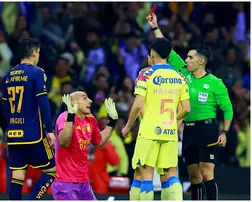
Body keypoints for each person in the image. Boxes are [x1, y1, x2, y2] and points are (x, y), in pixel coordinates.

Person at [148, 13, 233, 200]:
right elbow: (166, 49)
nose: (186, 60)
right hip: (189, 130)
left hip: (207, 129)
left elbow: (228, 109)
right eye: (186, 57)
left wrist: (224, 132)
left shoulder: (215, 83)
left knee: (207, 173)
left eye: (190, 57)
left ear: (200, 61)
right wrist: (155, 27)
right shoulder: (183, 73)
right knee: (194, 177)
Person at [127, 13, 189, 201]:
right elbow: (186, 108)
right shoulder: (180, 77)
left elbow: (138, 104)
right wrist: (172, 122)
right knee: (171, 175)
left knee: (144, 175)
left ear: (152, 54)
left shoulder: (146, 74)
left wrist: (128, 126)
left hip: (148, 131)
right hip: (169, 132)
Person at [1, 38, 56, 200]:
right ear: (33, 53)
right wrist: (50, 130)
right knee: (52, 171)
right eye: (38, 53)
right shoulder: (37, 72)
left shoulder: (7, 77)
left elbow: (6, 110)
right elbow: (43, 102)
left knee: (17, 176)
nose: (38, 56)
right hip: (33, 134)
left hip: (13, 134)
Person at [52, 91, 119, 200]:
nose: (90, 101)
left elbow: (100, 142)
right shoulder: (63, 117)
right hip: (65, 183)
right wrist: (70, 117)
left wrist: (112, 121)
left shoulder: (90, 119)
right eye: (84, 98)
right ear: (73, 103)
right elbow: (64, 142)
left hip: (84, 183)